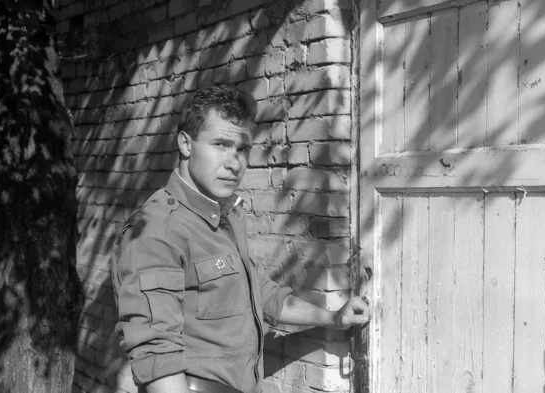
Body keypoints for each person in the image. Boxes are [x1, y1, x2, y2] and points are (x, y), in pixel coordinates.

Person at [111, 84, 370, 393]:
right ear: (185, 144)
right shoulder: (158, 232)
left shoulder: (224, 216)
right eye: (220, 145)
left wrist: (331, 318)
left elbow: (260, 294)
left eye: (242, 149)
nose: (234, 163)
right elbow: (157, 356)